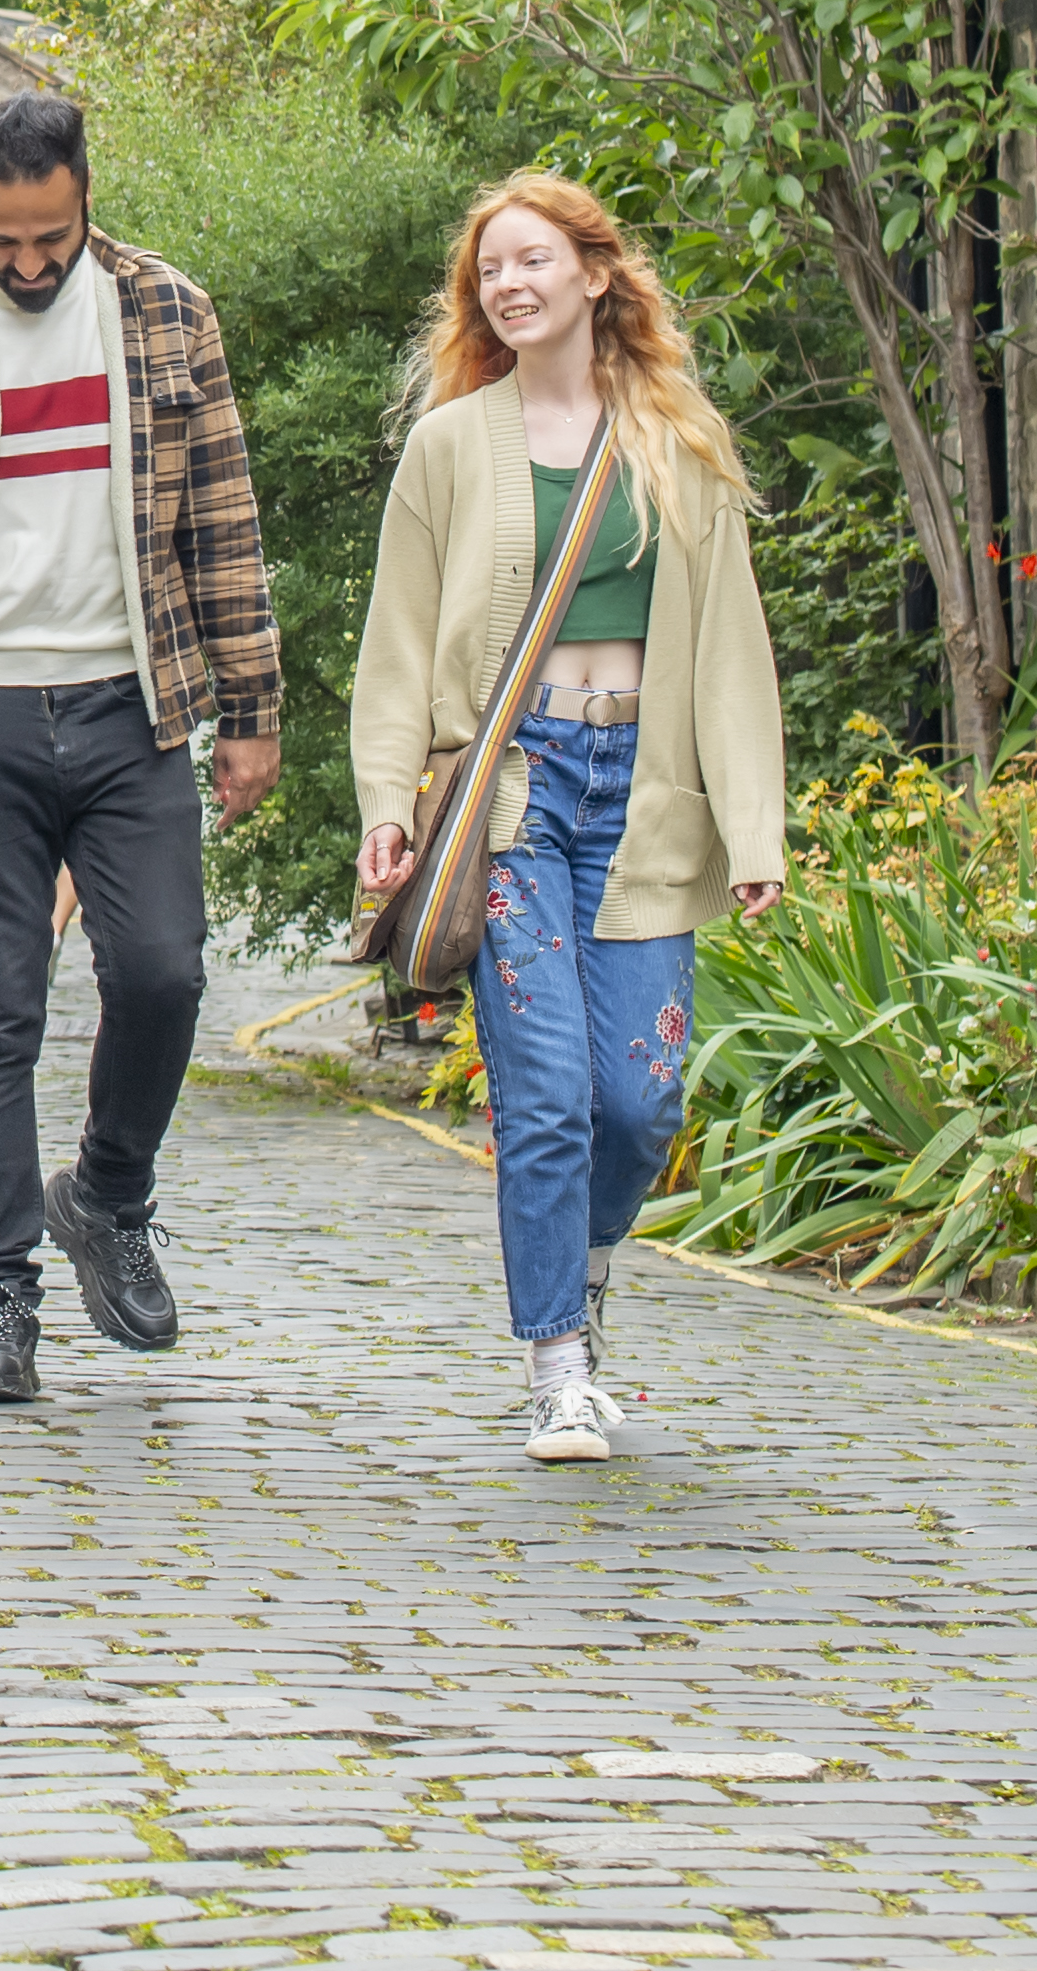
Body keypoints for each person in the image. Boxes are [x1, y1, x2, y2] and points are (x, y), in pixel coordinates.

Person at [0, 93, 281, 1408]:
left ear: (86, 197)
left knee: (164, 971)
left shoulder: (168, 315)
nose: (27, 264)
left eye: (50, 237)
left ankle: (111, 1191)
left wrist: (251, 712)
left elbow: (228, 525)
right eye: (0, 239)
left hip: (135, 708)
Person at [346, 174, 788, 1465]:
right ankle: (557, 1370)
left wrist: (752, 830)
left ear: (598, 274)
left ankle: (583, 1281)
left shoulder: (676, 437)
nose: (510, 285)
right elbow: (396, 644)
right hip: (513, 794)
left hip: (643, 791)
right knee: (543, 1096)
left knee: (643, 1100)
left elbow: (733, 651)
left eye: (534, 260)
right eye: (491, 271)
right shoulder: (448, 446)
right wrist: (388, 804)